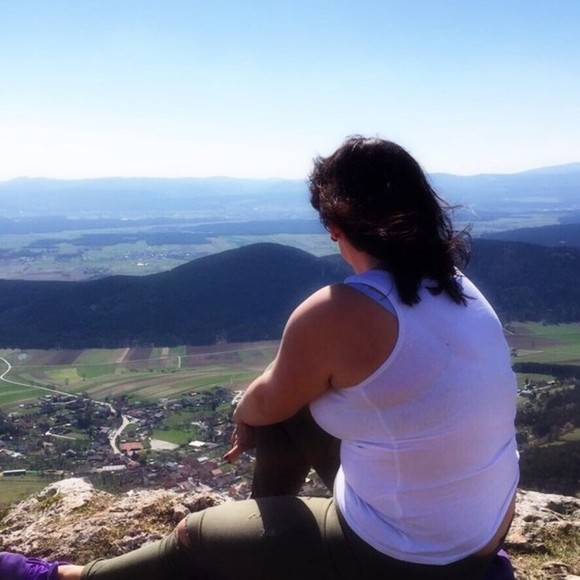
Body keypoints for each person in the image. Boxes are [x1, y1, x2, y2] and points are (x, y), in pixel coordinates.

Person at [0, 136, 519, 580]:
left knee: (193, 536)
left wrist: (247, 412)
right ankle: (265, 543)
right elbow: (284, 396)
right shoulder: (459, 288)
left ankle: (65, 576)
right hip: (482, 535)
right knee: (289, 404)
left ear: (334, 225)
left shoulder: (341, 308)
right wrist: (267, 407)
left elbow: (263, 402)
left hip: (406, 560)